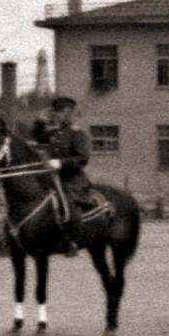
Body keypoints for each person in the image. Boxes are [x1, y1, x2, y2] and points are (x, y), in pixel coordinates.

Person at [31, 95, 101, 244]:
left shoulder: (77, 133)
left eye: (59, 112)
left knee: (67, 200)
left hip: (72, 178)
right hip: (51, 177)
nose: (55, 115)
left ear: (68, 113)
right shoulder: (54, 133)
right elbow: (38, 136)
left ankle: (72, 240)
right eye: (55, 112)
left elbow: (83, 158)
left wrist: (60, 163)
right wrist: (40, 121)